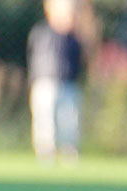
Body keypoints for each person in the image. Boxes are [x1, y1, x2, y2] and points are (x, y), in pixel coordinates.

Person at [27, 0, 84, 161]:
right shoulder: (40, 32)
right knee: (44, 119)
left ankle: (69, 150)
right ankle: (45, 151)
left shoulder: (74, 39)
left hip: (68, 83)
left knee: (69, 120)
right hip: (44, 82)